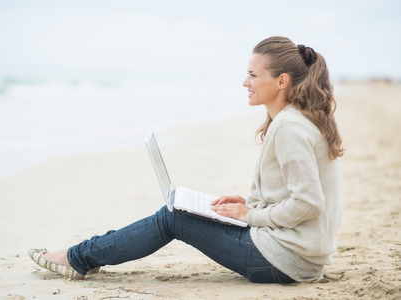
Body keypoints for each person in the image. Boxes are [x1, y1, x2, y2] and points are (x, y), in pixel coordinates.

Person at [29, 36, 344, 284]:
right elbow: (297, 195)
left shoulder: (289, 127)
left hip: (285, 261)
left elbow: (309, 203)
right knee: (182, 208)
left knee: (173, 218)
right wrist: (250, 205)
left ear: (281, 81)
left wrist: (250, 215)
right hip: (290, 254)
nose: (244, 83)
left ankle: (77, 258)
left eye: (252, 75)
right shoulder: (295, 121)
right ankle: (83, 256)